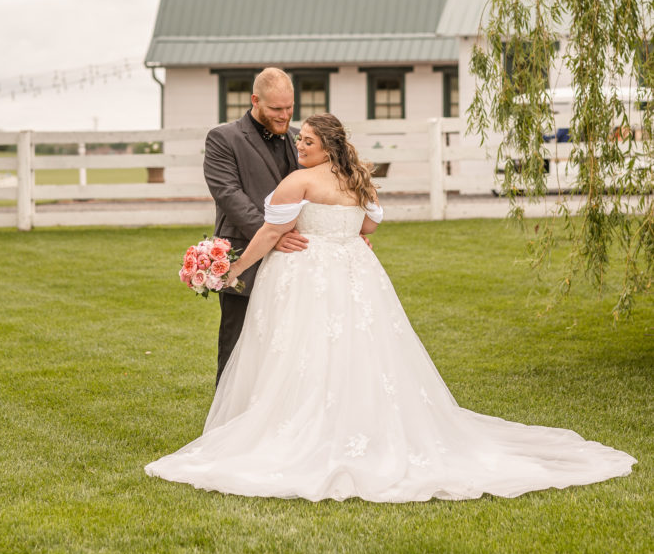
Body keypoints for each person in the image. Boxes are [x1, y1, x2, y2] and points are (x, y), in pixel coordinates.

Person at [147, 114, 636, 502]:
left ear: (328, 146)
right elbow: (370, 229)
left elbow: (271, 233)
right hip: (355, 273)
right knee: (359, 350)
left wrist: (232, 271)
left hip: (306, 275)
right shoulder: (359, 182)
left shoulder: (298, 182)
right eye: (301, 141)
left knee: (303, 349)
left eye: (309, 141)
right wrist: (342, 234)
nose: (301, 147)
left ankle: (304, 432)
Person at [203, 67, 306, 383]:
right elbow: (229, 195)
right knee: (237, 345)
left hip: (296, 260)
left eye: (289, 107)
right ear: (255, 101)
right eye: (276, 109)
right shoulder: (224, 138)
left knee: (288, 345)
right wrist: (272, 235)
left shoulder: (299, 137)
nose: (285, 115)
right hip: (245, 255)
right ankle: (226, 423)